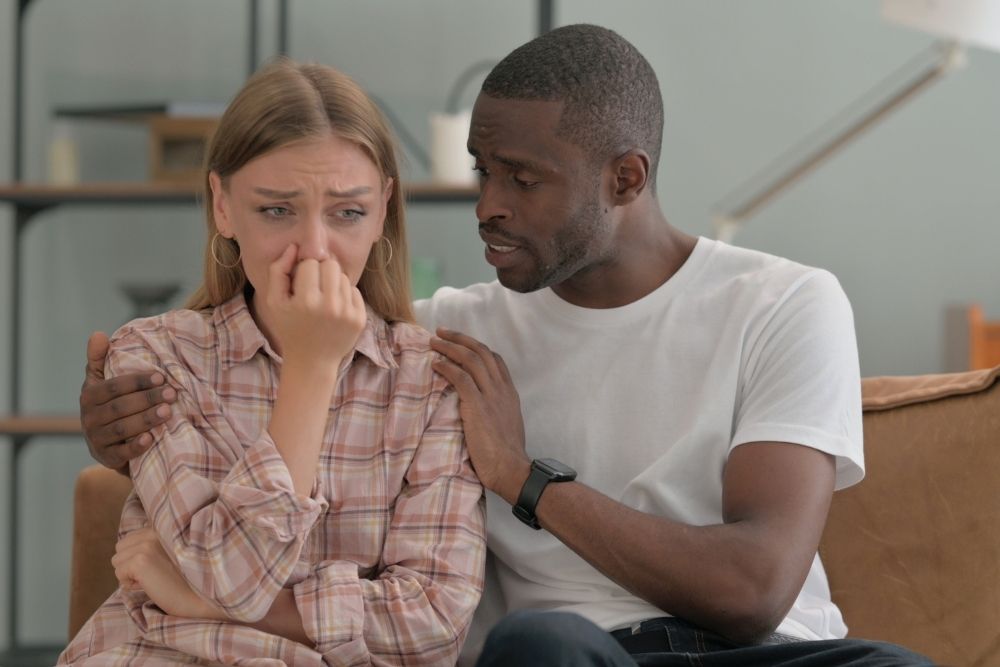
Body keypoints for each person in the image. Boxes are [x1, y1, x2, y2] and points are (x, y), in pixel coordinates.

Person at [79, 25, 931, 667]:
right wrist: (117, 421)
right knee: (541, 645)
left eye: (522, 179)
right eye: (483, 170)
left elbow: (754, 589)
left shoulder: (784, 303)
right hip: (574, 653)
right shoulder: (448, 329)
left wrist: (523, 478)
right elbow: (296, 337)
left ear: (625, 179)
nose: (488, 204)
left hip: (767, 651)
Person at [62, 58, 486, 666]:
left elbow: (434, 623)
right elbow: (230, 574)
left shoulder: (432, 382)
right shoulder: (157, 356)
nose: (314, 249)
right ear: (223, 206)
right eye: (277, 210)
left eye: (347, 212)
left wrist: (198, 602)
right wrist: (313, 369)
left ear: (384, 211)